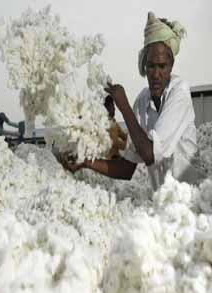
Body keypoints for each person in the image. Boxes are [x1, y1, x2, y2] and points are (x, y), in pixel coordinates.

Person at [61, 12, 198, 190]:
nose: (156, 74)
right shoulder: (142, 101)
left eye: (162, 66)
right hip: (163, 203)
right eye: (151, 66)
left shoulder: (179, 92)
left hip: (190, 201)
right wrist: (85, 162)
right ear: (144, 65)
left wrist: (124, 107)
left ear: (171, 65)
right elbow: (126, 169)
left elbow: (150, 154)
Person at [104, 95, 128, 160]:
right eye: (112, 106)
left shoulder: (114, 122)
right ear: (106, 108)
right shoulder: (105, 123)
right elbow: (114, 142)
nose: (114, 108)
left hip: (116, 156)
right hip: (108, 159)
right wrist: (128, 145)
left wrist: (132, 137)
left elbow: (123, 135)